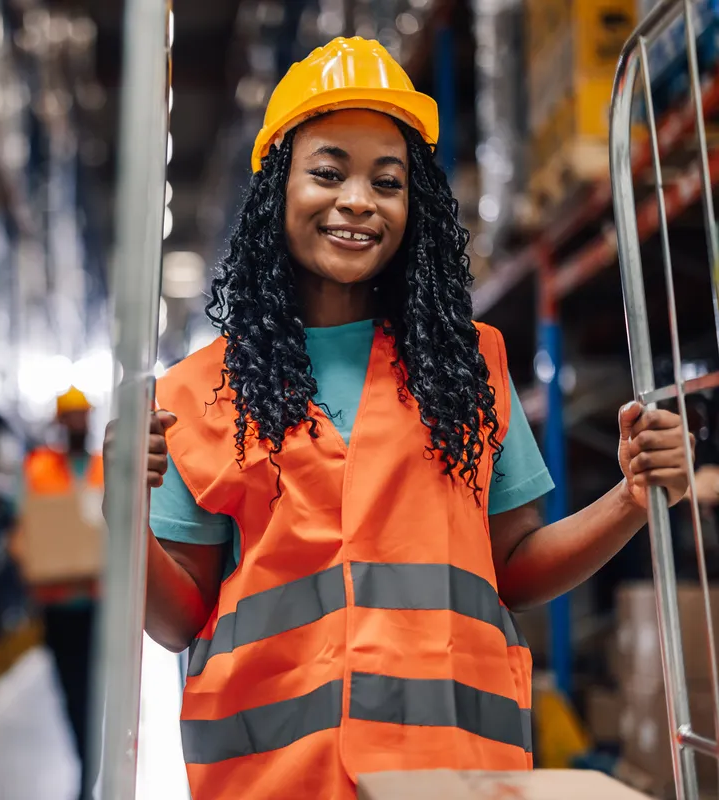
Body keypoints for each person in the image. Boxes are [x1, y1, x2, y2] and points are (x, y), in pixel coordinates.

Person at [107, 37, 695, 799]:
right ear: (276, 190)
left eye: (387, 182)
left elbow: (512, 571)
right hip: (275, 780)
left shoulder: (470, 366)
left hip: (447, 774)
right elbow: (177, 621)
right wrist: (121, 514)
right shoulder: (195, 392)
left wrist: (630, 497)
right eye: (327, 172)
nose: (358, 200)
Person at [13, 386, 103, 800]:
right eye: (69, 417)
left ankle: (94, 776)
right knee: (72, 694)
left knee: (100, 693)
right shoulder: (37, 467)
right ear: (58, 423)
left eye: (81, 416)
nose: (76, 424)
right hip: (59, 605)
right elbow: (24, 529)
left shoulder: (105, 466)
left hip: (103, 603)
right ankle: (87, 770)